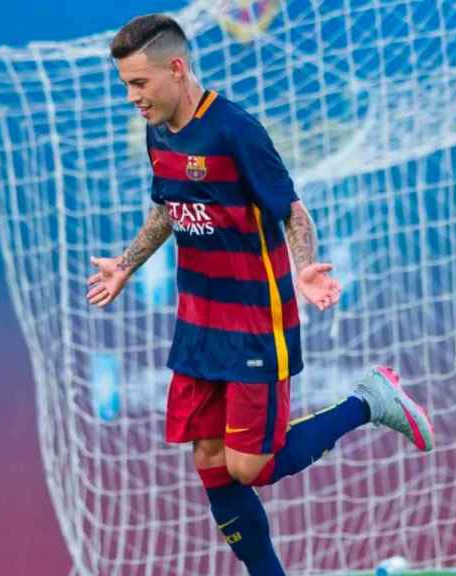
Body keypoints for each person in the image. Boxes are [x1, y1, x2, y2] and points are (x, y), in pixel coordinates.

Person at [85, 14, 435, 575]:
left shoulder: (236, 130)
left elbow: (291, 211)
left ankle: (368, 401)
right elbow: (167, 207)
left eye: (139, 83)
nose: (132, 97)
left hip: (254, 320)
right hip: (197, 324)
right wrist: (126, 265)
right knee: (208, 458)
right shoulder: (158, 131)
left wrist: (304, 270)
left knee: (250, 466)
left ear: (176, 69)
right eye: (126, 84)